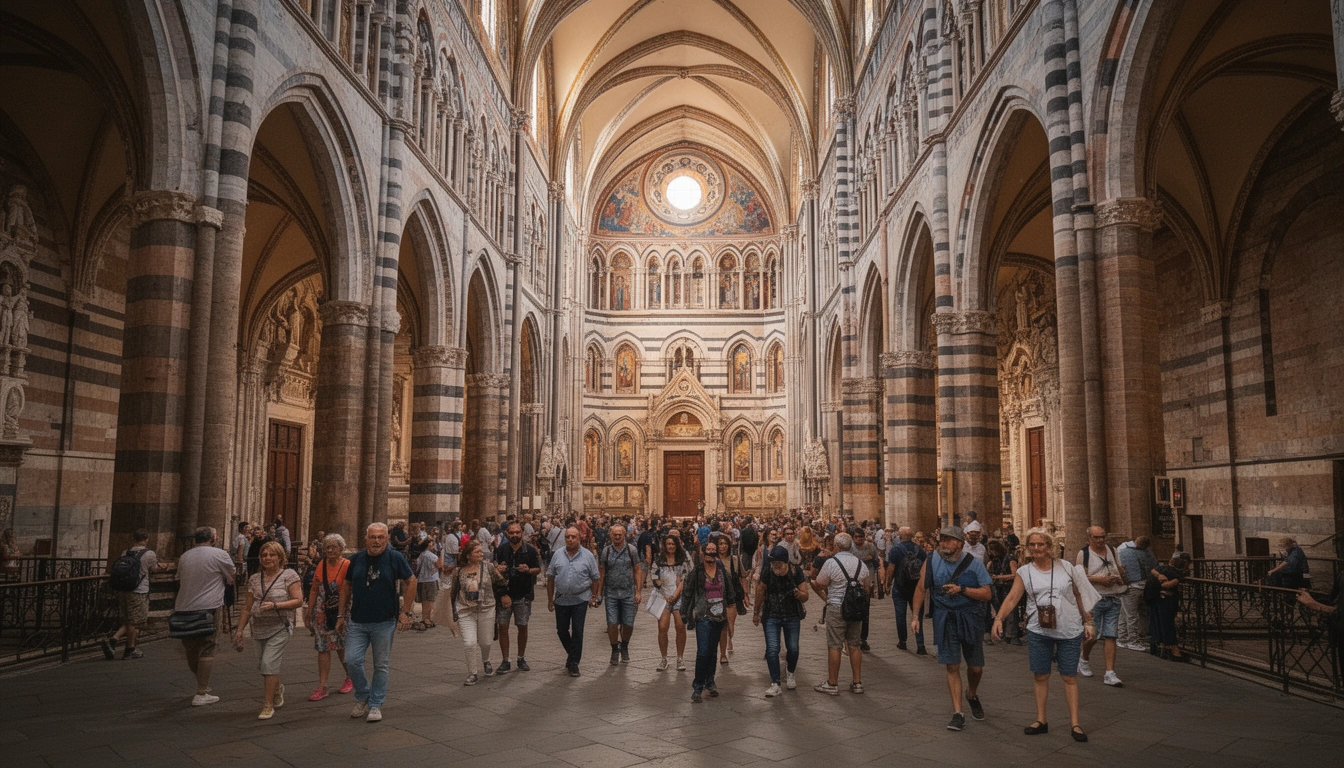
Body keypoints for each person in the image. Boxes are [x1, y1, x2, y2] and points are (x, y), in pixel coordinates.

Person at [992, 528, 1095, 742]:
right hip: (1039, 630)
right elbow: (1012, 598)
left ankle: (1075, 723)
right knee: (1040, 675)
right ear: (1028, 548)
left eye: (1041, 544)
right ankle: (1041, 720)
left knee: (1069, 676)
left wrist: (1088, 621)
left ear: (1050, 547)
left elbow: (1080, 595)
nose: (1036, 548)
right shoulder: (1024, 572)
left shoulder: (1066, 567)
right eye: (1032, 545)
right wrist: (999, 618)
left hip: (1068, 628)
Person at [912, 526, 993, 731]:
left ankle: (972, 694)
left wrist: (963, 590)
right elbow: (921, 587)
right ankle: (958, 713)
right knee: (952, 665)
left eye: (949, 540)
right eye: (942, 540)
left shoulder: (974, 564)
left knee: (975, 667)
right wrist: (915, 616)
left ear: (959, 543)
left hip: (970, 618)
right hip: (945, 618)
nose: (944, 544)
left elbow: (987, 594)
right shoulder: (931, 560)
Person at [337, 523, 416, 723]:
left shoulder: (395, 558)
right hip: (357, 620)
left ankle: (375, 704)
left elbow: (411, 581)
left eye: (381, 537)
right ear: (366, 539)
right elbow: (346, 586)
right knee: (351, 660)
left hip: (384, 621)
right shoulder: (355, 559)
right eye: (373, 537)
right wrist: (340, 615)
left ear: (387, 539)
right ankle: (364, 695)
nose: (377, 541)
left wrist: (406, 612)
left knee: (381, 665)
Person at [233, 540, 303, 720]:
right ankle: (277, 689)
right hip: (258, 628)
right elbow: (247, 608)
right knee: (264, 666)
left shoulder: (289, 575)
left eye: (272, 555)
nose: (267, 558)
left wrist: (275, 605)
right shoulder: (255, 579)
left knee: (268, 664)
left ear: (280, 558)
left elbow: (298, 600)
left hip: (280, 627)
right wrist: (239, 631)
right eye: (264, 555)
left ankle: (267, 705)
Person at [172, 527, 236, 707]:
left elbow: (178, 579)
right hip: (209, 606)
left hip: (184, 606)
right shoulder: (219, 554)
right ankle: (201, 691)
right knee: (208, 646)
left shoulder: (185, 556)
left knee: (191, 647)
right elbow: (231, 576)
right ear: (213, 538)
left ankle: (201, 683)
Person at [810, 532, 868, 695]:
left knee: (835, 645)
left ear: (836, 546)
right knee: (855, 645)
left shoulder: (831, 563)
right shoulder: (860, 564)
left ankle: (833, 683)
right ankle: (857, 682)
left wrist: (815, 585)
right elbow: (867, 588)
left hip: (836, 607)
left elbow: (820, 584)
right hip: (856, 609)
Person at [681, 539, 740, 702]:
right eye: (709, 550)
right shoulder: (697, 571)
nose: (711, 553)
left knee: (713, 651)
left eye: (714, 550)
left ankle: (710, 681)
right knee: (703, 652)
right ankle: (698, 686)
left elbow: (729, 591)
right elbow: (687, 592)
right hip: (703, 615)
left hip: (719, 615)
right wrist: (684, 613)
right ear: (703, 552)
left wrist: (731, 609)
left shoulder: (722, 571)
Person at [754, 545, 808, 697]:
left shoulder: (795, 572)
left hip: (792, 615)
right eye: (773, 563)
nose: (775, 565)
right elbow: (760, 591)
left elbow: (806, 595)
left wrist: (799, 594)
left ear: (785, 562)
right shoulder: (768, 572)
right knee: (772, 649)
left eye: (778, 563)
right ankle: (775, 682)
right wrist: (756, 613)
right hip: (772, 615)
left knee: (793, 648)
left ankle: (790, 672)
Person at [547, 527, 601, 676]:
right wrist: (549, 600)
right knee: (561, 630)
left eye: (573, 537)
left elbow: (596, 578)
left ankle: (574, 663)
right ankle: (572, 655)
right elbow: (550, 577)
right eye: (567, 537)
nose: (570, 540)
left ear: (579, 538)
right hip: (561, 599)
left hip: (580, 598)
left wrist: (594, 597)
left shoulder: (588, 556)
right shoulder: (557, 554)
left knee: (577, 631)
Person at [1075, 526, 1126, 686]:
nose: (1100, 540)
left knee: (1111, 635)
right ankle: (1083, 658)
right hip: (1094, 599)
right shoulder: (1084, 554)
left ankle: (1110, 673)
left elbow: (1118, 568)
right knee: (1092, 636)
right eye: (1096, 537)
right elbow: (1079, 578)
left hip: (1113, 597)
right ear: (1089, 538)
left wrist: (1119, 578)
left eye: (1102, 537)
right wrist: (1099, 580)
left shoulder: (1112, 550)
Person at [452, 540, 505, 684]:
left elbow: (501, 583)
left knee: (486, 642)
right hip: (465, 610)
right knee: (469, 643)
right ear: (468, 555)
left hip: (486, 609)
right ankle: (472, 673)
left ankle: (486, 660)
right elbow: (453, 592)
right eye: (477, 552)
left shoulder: (488, 567)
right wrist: (453, 611)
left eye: (481, 551)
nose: (481, 554)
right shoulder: (459, 571)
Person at [104, 528, 161, 660]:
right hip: (139, 590)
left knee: (128, 620)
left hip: (124, 589)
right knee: (134, 621)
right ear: (146, 540)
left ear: (133, 539)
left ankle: (126, 646)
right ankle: (120, 643)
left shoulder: (125, 552)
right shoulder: (149, 554)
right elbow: (154, 569)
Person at [307, 533, 352, 701]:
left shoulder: (347, 564)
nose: (330, 550)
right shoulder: (321, 564)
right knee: (323, 646)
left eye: (334, 547)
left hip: (341, 611)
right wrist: (309, 611)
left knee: (341, 645)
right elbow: (314, 589)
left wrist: (343, 613)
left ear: (341, 549)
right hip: (322, 610)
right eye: (327, 547)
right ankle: (322, 685)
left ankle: (350, 676)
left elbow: (349, 590)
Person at [494, 522, 542, 672]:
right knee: (503, 627)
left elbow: (538, 569)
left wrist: (528, 570)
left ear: (522, 533)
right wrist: (498, 569)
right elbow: (494, 571)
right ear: (507, 533)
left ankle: (521, 657)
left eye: (517, 532)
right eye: (511, 533)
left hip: (523, 594)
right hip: (505, 593)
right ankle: (505, 660)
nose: (514, 535)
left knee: (522, 626)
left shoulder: (531, 550)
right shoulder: (501, 550)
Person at [596, 524, 643, 665]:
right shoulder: (606, 551)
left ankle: (625, 645)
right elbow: (602, 572)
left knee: (628, 623)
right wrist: (599, 593)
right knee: (612, 623)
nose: (617, 537)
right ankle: (614, 649)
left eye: (620, 535)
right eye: (615, 534)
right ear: (611, 535)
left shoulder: (631, 550)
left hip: (628, 592)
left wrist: (638, 591)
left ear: (624, 535)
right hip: (611, 593)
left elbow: (637, 570)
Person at [652, 533, 691, 671]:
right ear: (664, 545)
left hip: (679, 597)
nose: (671, 546)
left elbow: (685, 579)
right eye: (668, 544)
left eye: (673, 544)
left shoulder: (683, 560)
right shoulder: (658, 560)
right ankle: (664, 658)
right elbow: (654, 576)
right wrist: (661, 587)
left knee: (680, 626)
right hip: (663, 597)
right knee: (662, 627)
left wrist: (674, 595)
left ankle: (680, 658)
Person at [885, 526, 927, 653]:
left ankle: (902, 642)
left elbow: (891, 568)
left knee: (900, 615)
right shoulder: (920, 550)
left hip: (900, 587)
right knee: (918, 615)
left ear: (899, 536)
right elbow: (925, 569)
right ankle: (920, 645)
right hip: (916, 587)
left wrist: (887, 584)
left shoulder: (896, 550)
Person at [1116, 535, 1157, 651]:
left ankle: (1122, 638)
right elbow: (1122, 569)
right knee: (1131, 615)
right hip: (1134, 586)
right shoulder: (1145, 552)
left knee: (1125, 613)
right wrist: (1126, 582)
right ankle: (1133, 640)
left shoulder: (1122, 549)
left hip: (1134, 586)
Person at [1149, 552, 1189, 661]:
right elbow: (1167, 585)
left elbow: (1152, 570)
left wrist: (1158, 576)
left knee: (1157, 621)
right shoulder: (1178, 574)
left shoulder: (1160, 568)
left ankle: (1160, 646)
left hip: (1155, 598)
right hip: (1167, 599)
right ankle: (1174, 651)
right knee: (1168, 623)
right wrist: (1164, 582)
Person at [986, 539, 1021, 646]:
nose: (992, 553)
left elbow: (1015, 574)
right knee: (1000, 610)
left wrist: (999, 577)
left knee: (1011, 611)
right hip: (998, 588)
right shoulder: (994, 561)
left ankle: (1013, 635)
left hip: (1009, 587)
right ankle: (1002, 632)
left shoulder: (1009, 559)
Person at [849, 528, 879, 651]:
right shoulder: (850, 548)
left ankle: (863, 638)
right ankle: (852, 637)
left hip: (867, 582)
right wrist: (863, 560)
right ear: (853, 538)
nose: (859, 539)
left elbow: (876, 562)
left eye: (861, 537)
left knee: (865, 611)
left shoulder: (870, 547)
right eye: (857, 537)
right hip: (853, 583)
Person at [412, 540, 441, 630]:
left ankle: (427, 618)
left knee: (425, 601)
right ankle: (426, 619)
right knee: (428, 600)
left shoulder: (421, 554)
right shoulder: (431, 556)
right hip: (430, 580)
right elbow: (439, 565)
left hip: (421, 579)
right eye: (432, 545)